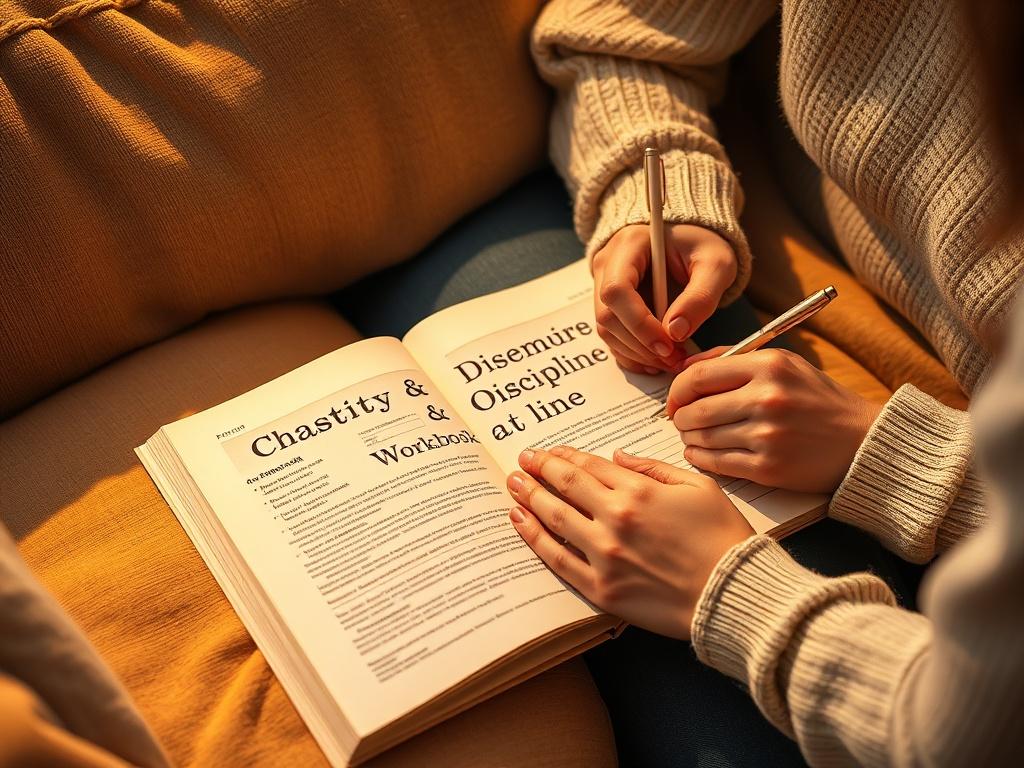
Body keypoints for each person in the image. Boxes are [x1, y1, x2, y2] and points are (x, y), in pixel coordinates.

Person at [503, 0, 1024, 764]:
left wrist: (733, 589)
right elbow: (620, 40)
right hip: (771, 235)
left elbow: (965, 738)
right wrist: (663, 201)